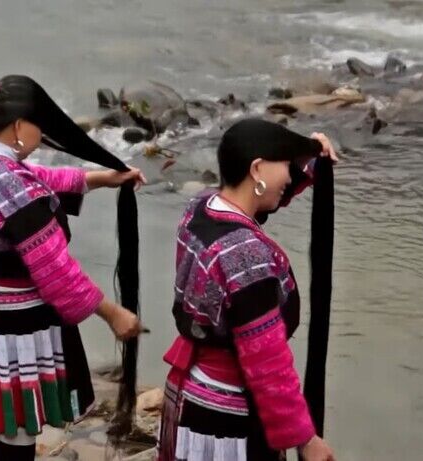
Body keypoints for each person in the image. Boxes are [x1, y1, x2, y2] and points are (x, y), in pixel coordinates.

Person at [0, 75, 145, 460]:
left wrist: (100, 179)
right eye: (39, 126)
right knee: (19, 426)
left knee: (1, 421)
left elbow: (38, 180)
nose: (42, 136)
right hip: (17, 324)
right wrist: (113, 313)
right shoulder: (9, 183)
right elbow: (57, 273)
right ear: (20, 127)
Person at [157, 119, 339, 461]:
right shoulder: (246, 256)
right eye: (285, 165)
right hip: (229, 416)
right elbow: (267, 363)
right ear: (257, 168)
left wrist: (308, 159)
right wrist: (305, 439)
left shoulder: (200, 209)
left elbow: (260, 203)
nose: (289, 176)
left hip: (192, 392)